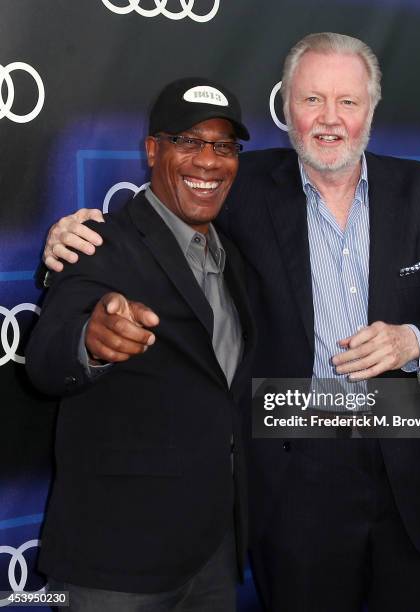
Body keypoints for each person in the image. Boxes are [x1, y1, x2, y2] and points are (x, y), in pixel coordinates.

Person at [40, 33, 420, 612]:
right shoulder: (240, 183)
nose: (329, 120)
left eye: (348, 102)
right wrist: (71, 235)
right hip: (292, 469)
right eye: (312, 100)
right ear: (287, 109)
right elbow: (163, 210)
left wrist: (414, 339)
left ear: (371, 110)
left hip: (408, 462)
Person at [26, 77, 256, 612]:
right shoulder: (98, 243)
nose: (208, 161)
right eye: (188, 141)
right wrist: (91, 340)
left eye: (223, 146)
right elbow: (47, 356)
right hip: (115, 563)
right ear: (152, 149)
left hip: (213, 551)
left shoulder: (235, 256)